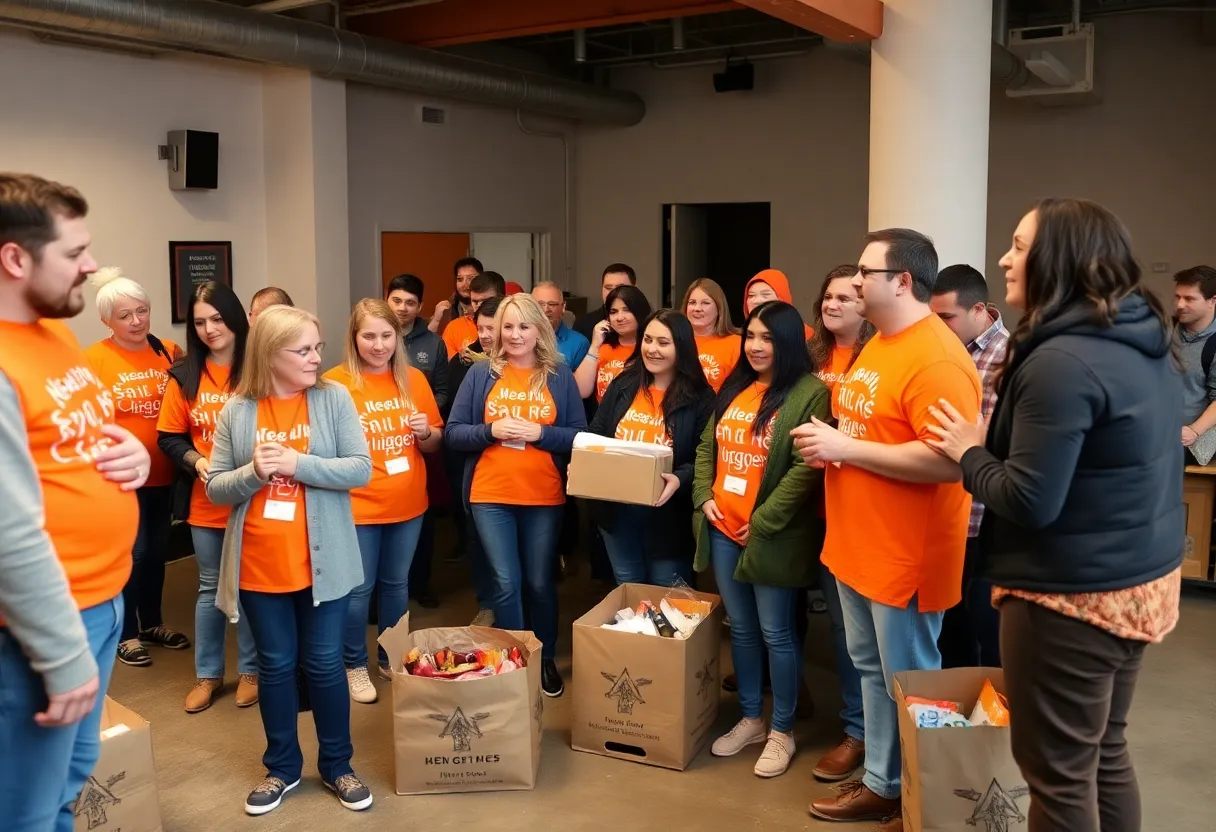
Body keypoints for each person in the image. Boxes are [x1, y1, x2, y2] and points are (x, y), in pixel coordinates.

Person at [926, 198, 1183, 832]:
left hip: (1072, 598)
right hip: (1139, 580)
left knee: (1058, 777)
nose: (1005, 259)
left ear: (1058, 258)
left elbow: (1029, 500)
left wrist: (969, 451)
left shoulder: (1059, 360)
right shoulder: (1134, 336)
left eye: (1018, 245)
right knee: (1102, 753)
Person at [795, 229, 981, 825]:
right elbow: (871, 434)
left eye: (864, 273)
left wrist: (842, 446)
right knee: (873, 669)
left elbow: (950, 462)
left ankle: (914, 794)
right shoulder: (880, 345)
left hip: (904, 555)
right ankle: (882, 777)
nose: (852, 282)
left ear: (902, 281)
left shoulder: (938, 358)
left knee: (910, 681)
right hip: (857, 543)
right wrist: (835, 450)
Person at [0, 171, 150, 832]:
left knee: (67, 788)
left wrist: (136, 457)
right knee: (27, 813)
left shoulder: (51, 330)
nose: (91, 266)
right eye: (73, 253)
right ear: (14, 258)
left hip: (104, 601)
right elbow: (8, 532)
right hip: (39, 629)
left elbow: (78, 438)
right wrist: (61, 657)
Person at [206, 305, 373, 816]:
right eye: (303, 350)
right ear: (269, 354)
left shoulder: (333, 398)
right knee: (275, 667)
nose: (315, 357)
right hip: (258, 565)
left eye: (317, 347)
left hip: (324, 565)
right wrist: (253, 472)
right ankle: (281, 768)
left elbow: (360, 469)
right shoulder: (237, 411)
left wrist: (298, 464)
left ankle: (337, 765)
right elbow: (215, 488)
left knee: (324, 665)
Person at [693, 300, 827, 779]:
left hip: (770, 535)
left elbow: (804, 469)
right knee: (743, 630)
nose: (755, 346)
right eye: (750, 335)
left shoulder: (809, 393)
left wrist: (764, 519)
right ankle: (751, 718)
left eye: (768, 338)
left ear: (788, 342)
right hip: (724, 528)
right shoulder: (735, 386)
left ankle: (782, 731)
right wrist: (703, 494)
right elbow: (708, 445)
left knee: (777, 633)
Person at [446, 294, 586, 698]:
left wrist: (539, 433)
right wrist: (492, 431)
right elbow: (454, 432)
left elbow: (579, 434)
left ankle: (543, 659)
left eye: (524, 326)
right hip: (490, 493)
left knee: (539, 582)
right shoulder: (481, 374)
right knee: (506, 583)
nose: (515, 334)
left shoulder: (558, 374)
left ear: (539, 329)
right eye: (508, 326)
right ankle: (515, 662)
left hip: (543, 495)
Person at [325, 300, 442, 704]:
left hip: (408, 502)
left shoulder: (415, 380)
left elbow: (434, 445)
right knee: (359, 591)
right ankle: (354, 664)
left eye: (386, 336)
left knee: (397, 585)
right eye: (369, 336)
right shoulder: (333, 383)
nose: (378, 345)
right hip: (357, 505)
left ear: (399, 337)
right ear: (354, 338)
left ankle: (391, 657)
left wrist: (427, 432)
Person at [158, 281, 259, 714]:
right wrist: (197, 461)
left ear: (235, 317)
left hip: (257, 496)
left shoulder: (261, 367)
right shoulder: (184, 375)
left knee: (253, 587)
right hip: (207, 499)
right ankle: (209, 675)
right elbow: (169, 437)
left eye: (217, 318)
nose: (209, 329)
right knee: (210, 588)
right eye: (199, 322)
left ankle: (252, 671)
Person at [85, 267, 189, 668]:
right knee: (136, 554)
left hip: (165, 474)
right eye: (124, 315)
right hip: (120, 480)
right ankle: (124, 632)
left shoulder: (167, 351)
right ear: (106, 320)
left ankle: (153, 623)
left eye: (142, 311)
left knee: (159, 551)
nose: (136, 321)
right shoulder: (94, 359)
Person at [803, 264, 874, 783]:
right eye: (828, 297)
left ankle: (861, 732)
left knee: (855, 634)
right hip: (804, 500)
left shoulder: (877, 356)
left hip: (853, 508)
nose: (833, 305)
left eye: (845, 298)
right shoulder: (812, 356)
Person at [589, 310, 713, 586]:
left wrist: (680, 478)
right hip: (617, 513)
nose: (652, 349)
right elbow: (596, 433)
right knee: (629, 590)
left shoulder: (701, 398)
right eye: (647, 340)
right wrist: (585, 462)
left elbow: (704, 459)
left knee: (668, 599)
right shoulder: (624, 384)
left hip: (668, 518)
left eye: (663, 343)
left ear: (681, 346)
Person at [929, 264, 1009, 670]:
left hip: (981, 518)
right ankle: (956, 726)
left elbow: (993, 446)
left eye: (946, 318)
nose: (939, 327)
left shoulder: (1005, 359)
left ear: (980, 309)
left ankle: (999, 725)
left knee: (989, 632)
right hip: (944, 516)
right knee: (951, 632)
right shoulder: (940, 350)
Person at [445, 296, 502, 627]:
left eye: (491, 328)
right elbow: (454, 422)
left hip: (523, 476)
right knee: (478, 539)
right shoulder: (464, 363)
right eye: (479, 328)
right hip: (474, 464)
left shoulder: (538, 367)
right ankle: (488, 603)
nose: (485, 335)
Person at [575, 284, 652, 402]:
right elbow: (581, 391)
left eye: (627, 310)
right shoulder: (602, 348)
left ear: (640, 311)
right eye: (613, 312)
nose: (619, 317)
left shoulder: (651, 349)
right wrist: (595, 346)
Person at [384, 273, 449, 412]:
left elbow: (442, 393)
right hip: (381, 419)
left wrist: (422, 414)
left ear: (419, 307)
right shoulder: (373, 340)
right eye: (396, 301)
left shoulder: (434, 344)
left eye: (410, 303)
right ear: (386, 300)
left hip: (420, 422)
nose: (402, 308)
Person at [1172, 265, 1216, 464]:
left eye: (1189, 298)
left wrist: (1193, 431)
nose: (1180, 304)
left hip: (1193, 442)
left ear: (1212, 301)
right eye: (1178, 297)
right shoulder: (1165, 330)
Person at [683, 277, 739, 392]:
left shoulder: (736, 343)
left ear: (719, 307)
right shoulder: (674, 340)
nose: (697, 308)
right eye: (692, 303)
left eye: (705, 303)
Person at [443, 271, 504, 359]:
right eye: (475, 301)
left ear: (502, 298)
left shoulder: (514, 327)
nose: (479, 306)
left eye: (485, 301)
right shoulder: (454, 327)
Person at [573, 262, 636, 343]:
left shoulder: (648, 322)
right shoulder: (583, 324)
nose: (613, 293)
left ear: (635, 289)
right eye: (608, 288)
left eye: (620, 288)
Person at [533, 280, 590, 368]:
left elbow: (580, 381)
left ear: (563, 307)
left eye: (552, 304)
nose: (545, 309)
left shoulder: (579, 344)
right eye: (539, 304)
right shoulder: (520, 339)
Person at [744, 269, 813, 340]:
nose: (756, 301)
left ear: (782, 299)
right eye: (751, 295)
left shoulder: (806, 336)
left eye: (765, 295)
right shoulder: (739, 339)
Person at [428, 255, 481, 335]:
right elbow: (427, 341)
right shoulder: (446, 310)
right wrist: (436, 319)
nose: (465, 284)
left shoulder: (492, 306)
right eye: (460, 279)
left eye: (471, 278)